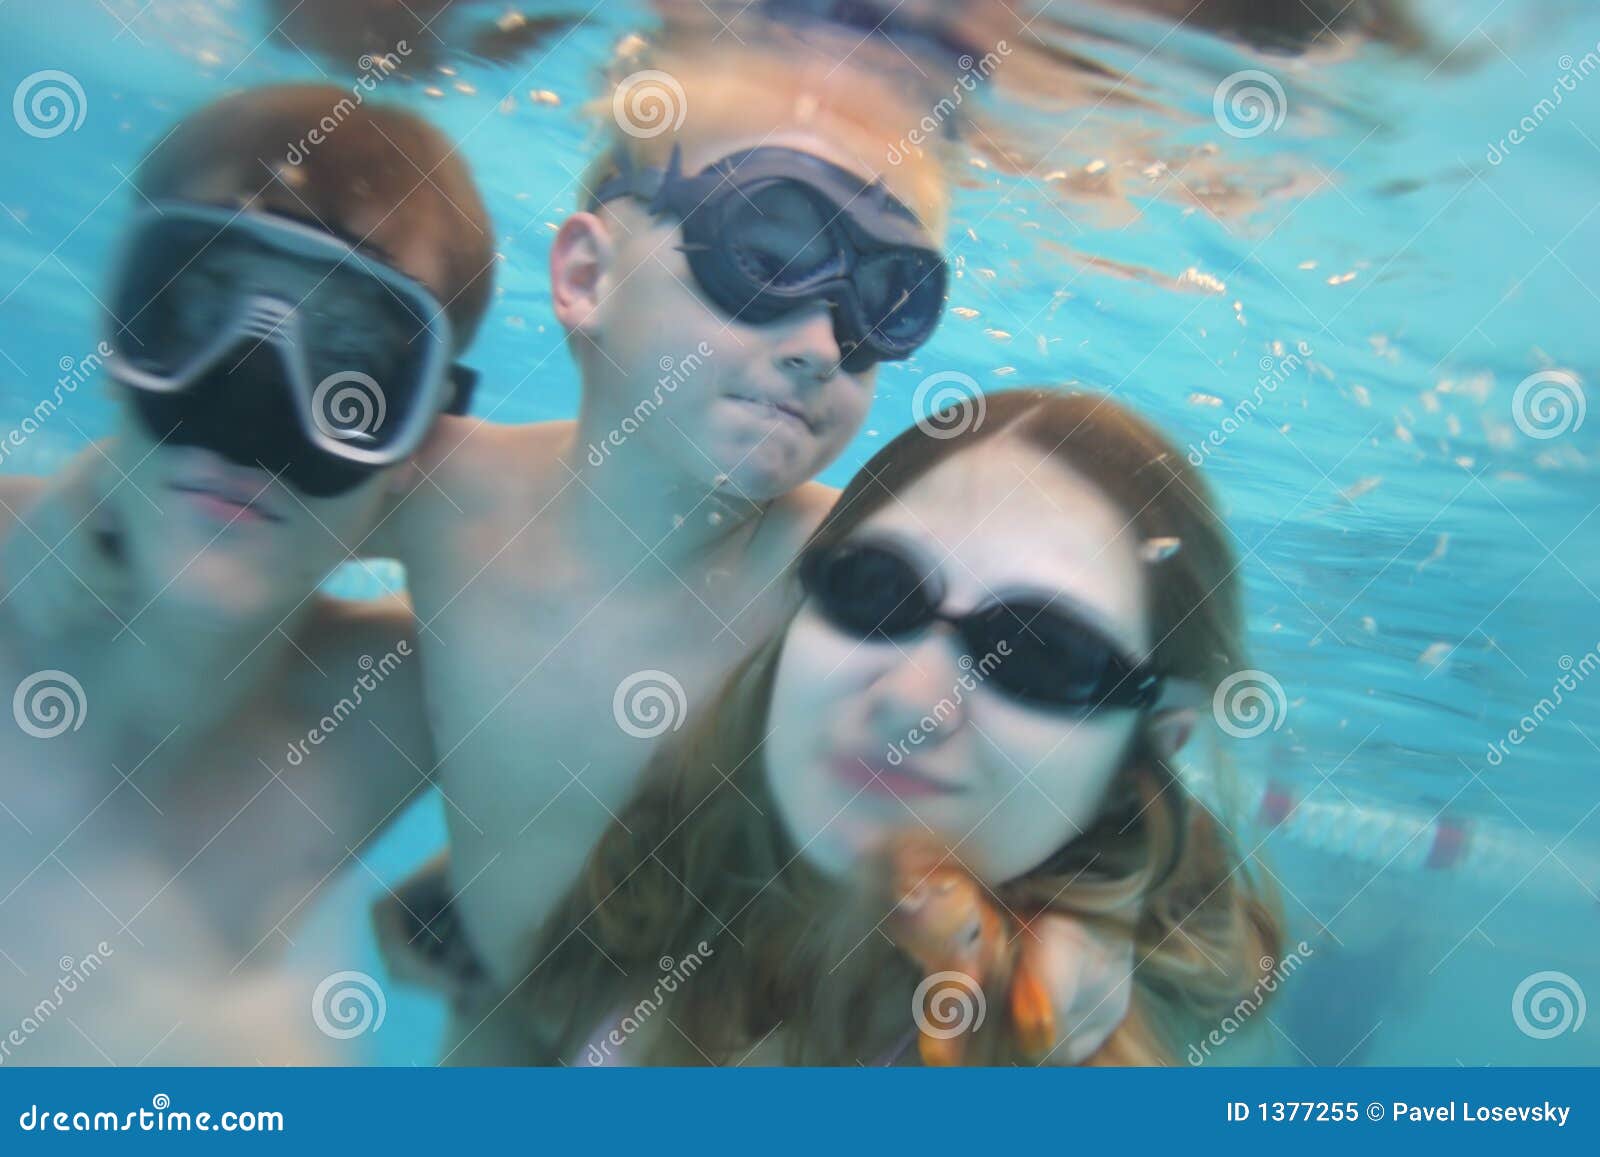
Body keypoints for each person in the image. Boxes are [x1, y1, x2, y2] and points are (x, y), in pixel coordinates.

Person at [514, 388, 1283, 1065]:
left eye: (1043, 654)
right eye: (876, 588)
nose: (914, 699)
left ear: (1147, 750)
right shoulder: (670, 855)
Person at [0, 84, 492, 1060]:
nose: (249, 412)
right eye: (192, 311)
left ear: (427, 433)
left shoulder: (398, 696)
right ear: (115, 332)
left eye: (350, 373)